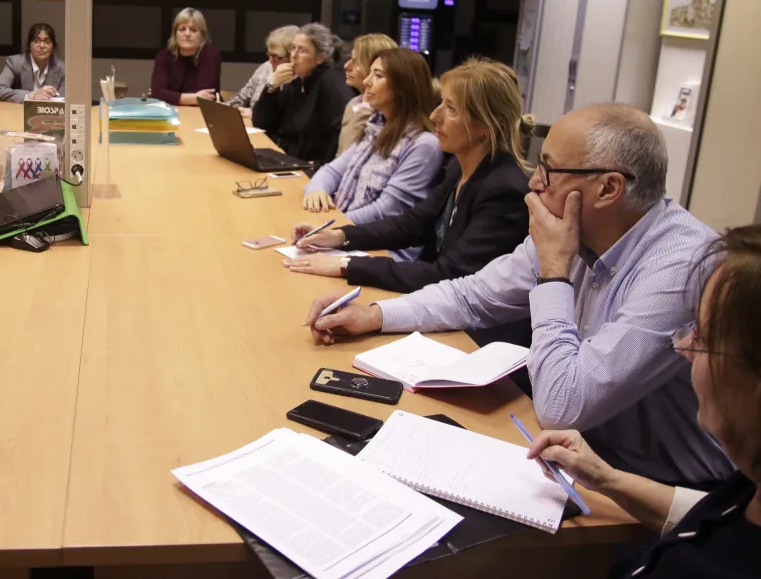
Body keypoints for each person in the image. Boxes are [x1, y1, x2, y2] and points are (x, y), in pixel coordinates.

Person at [303, 103, 735, 488]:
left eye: (549, 169)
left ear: (608, 188)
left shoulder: (680, 266)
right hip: (580, 459)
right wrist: (374, 315)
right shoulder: (572, 226)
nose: (534, 183)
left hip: (661, 493)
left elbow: (564, 406)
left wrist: (553, 271)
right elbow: (473, 296)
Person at [528, 225, 761, 578]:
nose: (682, 348)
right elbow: (711, 510)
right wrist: (605, 479)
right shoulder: (747, 488)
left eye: (701, 337)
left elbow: (560, 404)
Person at [286, 58, 531, 286]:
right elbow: (412, 225)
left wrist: (347, 264)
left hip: (472, 328)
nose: (435, 116)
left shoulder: (503, 191)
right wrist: (338, 236)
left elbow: (449, 274)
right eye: (441, 104)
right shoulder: (460, 166)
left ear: (486, 127)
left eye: (451, 109)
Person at [294, 48, 442, 228]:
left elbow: (386, 210)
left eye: (378, 76)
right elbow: (332, 171)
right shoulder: (376, 127)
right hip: (348, 230)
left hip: (382, 246)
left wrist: (332, 227)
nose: (366, 81)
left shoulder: (424, 144)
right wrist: (316, 190)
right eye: (370, 73)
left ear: (403, 87)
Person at [252, 22, 353, 166]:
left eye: (302, 50)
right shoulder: (296, 82)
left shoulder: (331, 84)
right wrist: (271, 87)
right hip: (287, 159)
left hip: (313, 167)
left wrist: (320, 165)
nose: (293, 55)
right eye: (293, 48)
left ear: (320, 58)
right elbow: (262, 123)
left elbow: (340, 136)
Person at [337, 33, 398, 156]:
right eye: (349, 59)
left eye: (356, 62)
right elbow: (341, 160)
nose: (346, 66)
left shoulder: (387, 113)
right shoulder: (354, 103)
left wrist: (365, 110)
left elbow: (351, 160)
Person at [150, 8, 222, 106]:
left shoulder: (211, 54)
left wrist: (170, 96)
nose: (187, 34)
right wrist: (193, 98)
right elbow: (157, 93)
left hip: (202, 114)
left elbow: (205, 97)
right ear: (175, 34)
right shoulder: (164, 56)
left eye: (193, 30)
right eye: (182, 29)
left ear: (202, 36)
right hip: (169, 113)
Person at [227, 25, 298, 115]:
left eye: (277, 58)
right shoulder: (265, 68)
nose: (270, 61)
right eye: (269, 54)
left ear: (292, 57)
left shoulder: (299, 80)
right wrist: (229, 107)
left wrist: (254, 113)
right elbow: (241, 98)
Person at [0, 22, 66, 102]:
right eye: (36, 41)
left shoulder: (61, 68)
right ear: (29, 45)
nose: (42, 46)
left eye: (47, 42)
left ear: (53, 46)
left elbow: (63, 100)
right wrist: (32, 95)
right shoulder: (15, 63)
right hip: (18, 112)